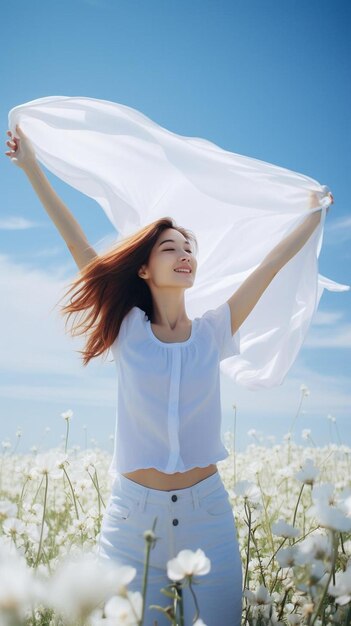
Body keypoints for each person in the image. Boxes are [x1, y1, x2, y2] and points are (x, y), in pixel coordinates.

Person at [5, 126, 333, 626]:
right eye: (169, 248)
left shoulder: (213, 330)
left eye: (188, 249)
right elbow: (78, 243)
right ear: (142, 269)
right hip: (132, 521)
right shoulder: (127, 332)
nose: (184, 255)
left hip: (210, 519)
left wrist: (313, 214)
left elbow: (268, 266)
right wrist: (31, 168)